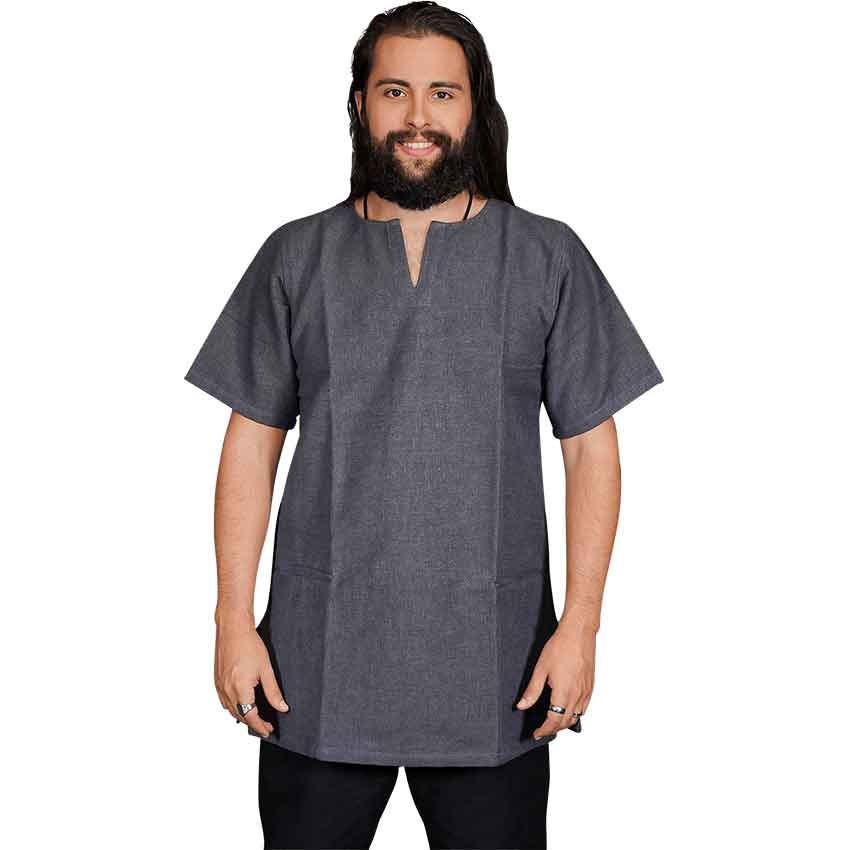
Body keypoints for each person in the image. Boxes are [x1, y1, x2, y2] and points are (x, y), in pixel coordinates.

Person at [184, 3, 664, 848]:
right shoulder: (297, 255)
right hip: (314, 666)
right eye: (394, 91)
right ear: (360, 104)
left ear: (475, 106)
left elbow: (591, 449)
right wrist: (231, 620)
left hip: (498, 671)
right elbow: (251, 444)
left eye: (442, 93)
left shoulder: (546, 256)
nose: (417, 117)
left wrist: (580, 628)